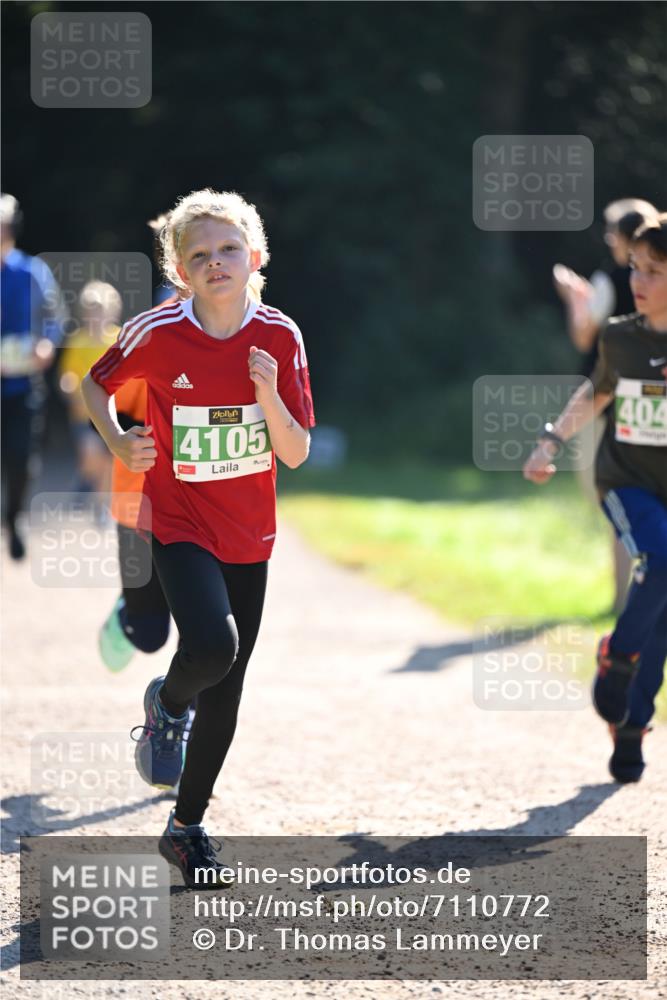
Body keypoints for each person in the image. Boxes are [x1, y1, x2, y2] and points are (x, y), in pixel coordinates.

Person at [82, 189, 315, 885]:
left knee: (230, 685)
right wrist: (120, 441)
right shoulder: (158, 331)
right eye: (199, 255)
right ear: (179, 270)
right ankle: (167, 704)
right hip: (179, 521)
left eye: (229, 250)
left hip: (249, 531)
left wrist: (267, 393)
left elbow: (296, 452)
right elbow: (96, 386)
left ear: (256, 257)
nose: (216, 263)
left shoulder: (279, 335)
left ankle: (186, 829)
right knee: (213, 646)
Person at [525, 213, 667, 785]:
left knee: (662, 600)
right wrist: (551, 440)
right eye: (636, 267)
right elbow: (597, 392)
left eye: (655, 271)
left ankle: (633, 723)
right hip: (627, 481)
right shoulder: (621, 337)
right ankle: (618, 657)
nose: (639, 280)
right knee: (659, 561)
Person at [553, 198, 658, 614]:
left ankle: (624, 599)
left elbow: (584, 338)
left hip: (609, 398)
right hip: (645, 397)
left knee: (619, 497)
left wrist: (573, 299)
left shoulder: (610, 279)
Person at [1, 193, 67, 558]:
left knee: (20, 457)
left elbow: (55, 318)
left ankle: (14, 516)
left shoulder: (32, 272)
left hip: (22, 384)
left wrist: (47, 345)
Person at [59, 281, 122, 497]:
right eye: (90, 313)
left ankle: (101, 504)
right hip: (83, 414)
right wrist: (68, 388)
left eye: (100, 312)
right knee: (91, 451)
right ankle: (86, 477)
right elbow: (67, 374)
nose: (95, 318)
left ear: (112, 312)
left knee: (109, 460)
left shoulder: (119, 339)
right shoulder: (78, 340)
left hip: (113, 412)